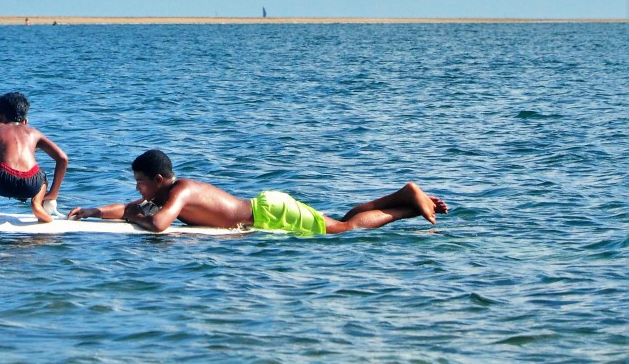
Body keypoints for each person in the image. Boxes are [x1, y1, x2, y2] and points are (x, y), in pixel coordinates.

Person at [67, 149, 446, 236]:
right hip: (267, 206)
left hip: (271, 213)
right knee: (341, 221)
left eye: (141, 181)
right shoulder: (167, 192)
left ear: (160, 178)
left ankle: (407, 206)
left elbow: (160, 225)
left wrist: (138, 217)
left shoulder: (180, 191)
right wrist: (92, 212)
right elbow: (129, 207)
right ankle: (404, 196)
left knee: (346, 230)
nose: (138, 189)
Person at [0, 92, 68, 223]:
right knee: (42, 176)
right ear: (25, 121)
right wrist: (53, 194)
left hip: (2, 182)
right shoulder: (34, 132)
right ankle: (36, 204)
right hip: (31, 185)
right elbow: (62, 158)